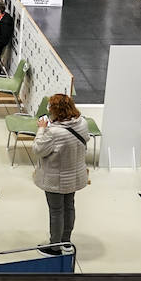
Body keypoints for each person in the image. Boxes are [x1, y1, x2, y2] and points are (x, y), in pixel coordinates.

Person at [33, 94, 89, 247]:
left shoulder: (53, 132)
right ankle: (66, 241)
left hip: (55, 178)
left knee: (56, 211)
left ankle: (54, 246)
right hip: (74, 175)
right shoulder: (82, 123)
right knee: (69, 207)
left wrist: (41, 130)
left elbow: (38, 149)